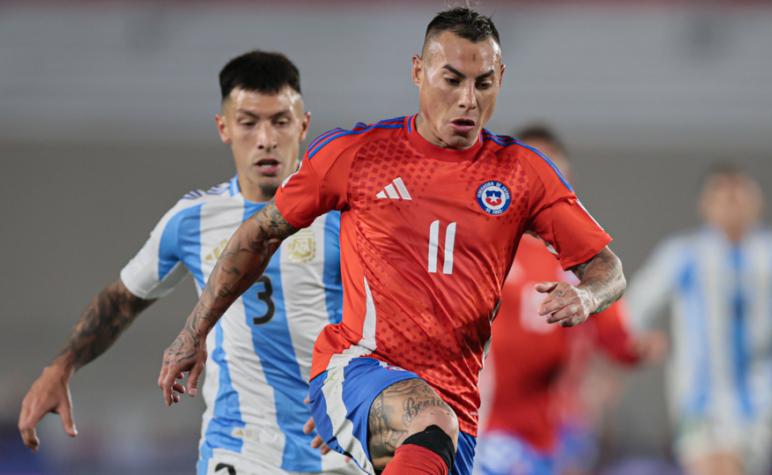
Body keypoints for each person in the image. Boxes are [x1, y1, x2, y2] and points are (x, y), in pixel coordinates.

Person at [158, 8, 626, 475]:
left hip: (455, 407)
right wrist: (194, 331)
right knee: (430, 420)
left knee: (434, 427)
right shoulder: (358, 155)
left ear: (501, 77)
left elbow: (607, 268)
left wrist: (586, 296)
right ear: (418, 71)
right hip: (356, 369)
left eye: (483, 84)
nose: (467, 100)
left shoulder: (523, 174)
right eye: (452, 80)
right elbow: (259, 233)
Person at [18, 50, 359, 475]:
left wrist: (359, 397)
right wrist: (61, 367)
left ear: (304, 124)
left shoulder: (345, 217)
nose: (266, 138)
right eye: (249, 122)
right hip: (238, 448)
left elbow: (398, 316)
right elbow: (124, 298)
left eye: (280, 121)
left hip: (337, 445)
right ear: (224, 128)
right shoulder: (193, 219)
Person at [626, 164, 772, 475]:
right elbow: (639, 300)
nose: (731, 202)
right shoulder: (683, 254)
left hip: (760, 395)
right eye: (721, 194)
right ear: (704, 204)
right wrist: (636, 336)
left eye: (739, 193)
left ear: (758, 202)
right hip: (695, 393)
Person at [474, 125, 660, 475]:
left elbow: (613, 333)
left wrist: (635, 348)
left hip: (557, 428)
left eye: (548, 171)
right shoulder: (478, 251)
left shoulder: (580, 259)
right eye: (526, 169)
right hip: (487, 424)